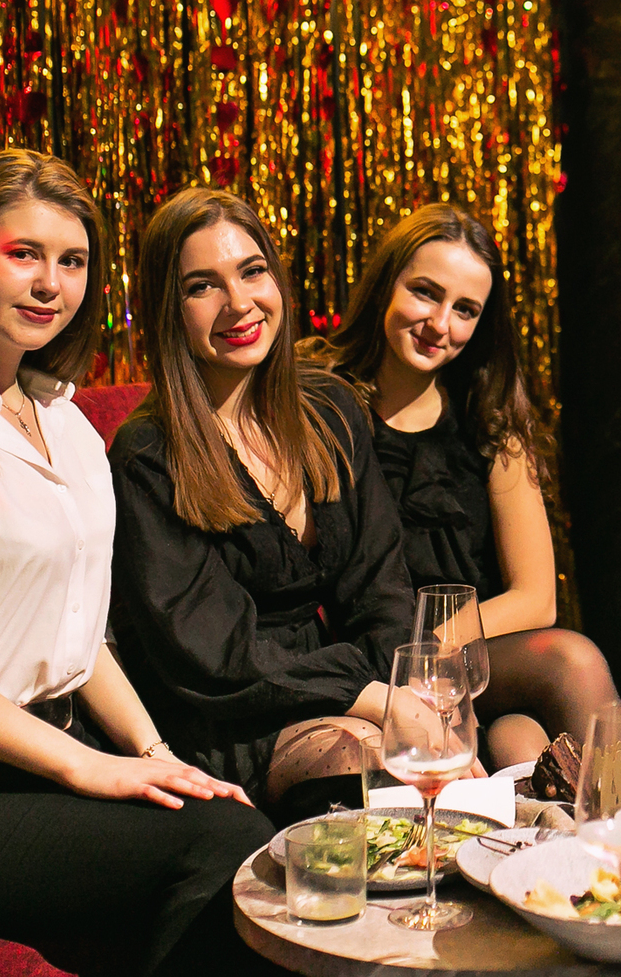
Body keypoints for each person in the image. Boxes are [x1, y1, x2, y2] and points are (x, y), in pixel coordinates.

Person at [0, 150, 275, 975]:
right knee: (226, 842)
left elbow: (80, 633)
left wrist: (150, 754)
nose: (50, 285)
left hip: (46, 759)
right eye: (23, 254)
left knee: (234, 813)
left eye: (71, 262)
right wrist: (91, 768)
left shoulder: (65, 424)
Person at [109, 188, 423, 823]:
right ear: (170, 310)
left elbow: (382, 585)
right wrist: (370, 699)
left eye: (252, 271)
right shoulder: (148, 453)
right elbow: (214, 655)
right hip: (233, 709)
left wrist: (401, 688)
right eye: (203, 286)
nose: (239, 303)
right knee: (368, 758)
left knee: (563, 663)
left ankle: (600, 863)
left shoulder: (330, 407)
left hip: (350, 678)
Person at [302, 203, 618, 769]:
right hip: (362, 661)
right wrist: (404, 667)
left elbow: (536, 597)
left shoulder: (487, 417)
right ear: (386, 284)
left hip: (467, 659)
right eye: (425, 293)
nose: (440, 324)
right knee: (523, 731)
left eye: (465, 310)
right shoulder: (319, 397)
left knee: (549, 695)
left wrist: (433, 652)